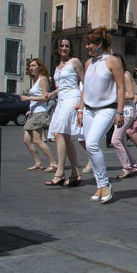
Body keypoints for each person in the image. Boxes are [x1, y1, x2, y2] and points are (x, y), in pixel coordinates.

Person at [77, 27, 125, 204]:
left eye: (90, 43)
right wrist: (81, 109)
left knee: (92, 143)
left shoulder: (112, 61)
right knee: (90, 148)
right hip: (89, 109)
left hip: (107, 109)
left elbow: (121, 88)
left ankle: (105, 185)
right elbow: (85, 89)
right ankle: (99, 186)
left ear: (100, 44)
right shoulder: (88, 64)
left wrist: (120, 112)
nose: (87, 46)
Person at [44, 38, 84, 186]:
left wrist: (81, 105)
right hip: (60, 100)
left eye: (67, 46)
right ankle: (75, 173)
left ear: (70, 48)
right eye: (61, 46)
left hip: (72, 98)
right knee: (65, 137)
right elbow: (61, 86)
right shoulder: (58, 66)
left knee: (58, 133)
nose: (64, 48)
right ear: (58, 48)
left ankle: (60, 172)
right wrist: (52, 94)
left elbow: (84, 83)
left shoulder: (75, 62)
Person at [21, 59, 57, 172]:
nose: (31, 68)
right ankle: (38, 162)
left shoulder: (43, 79)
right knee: (26, 139)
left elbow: (45, 97)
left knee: (37, 140)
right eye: (30, 66)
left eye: (33, 65)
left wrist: (28, 98)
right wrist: (30, 110)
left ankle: (53, 162)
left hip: (40, 112)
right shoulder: (35, 80)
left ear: (39, 67)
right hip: (33, 113)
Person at [110, 54, 137, 179]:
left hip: (127, 110)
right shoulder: (116, 76)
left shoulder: (125, 74)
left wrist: (114, 98)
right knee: (120, 140)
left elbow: (131, 94)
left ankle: (126, 167)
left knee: (115, 140)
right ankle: (132, 165)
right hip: (120, 110)